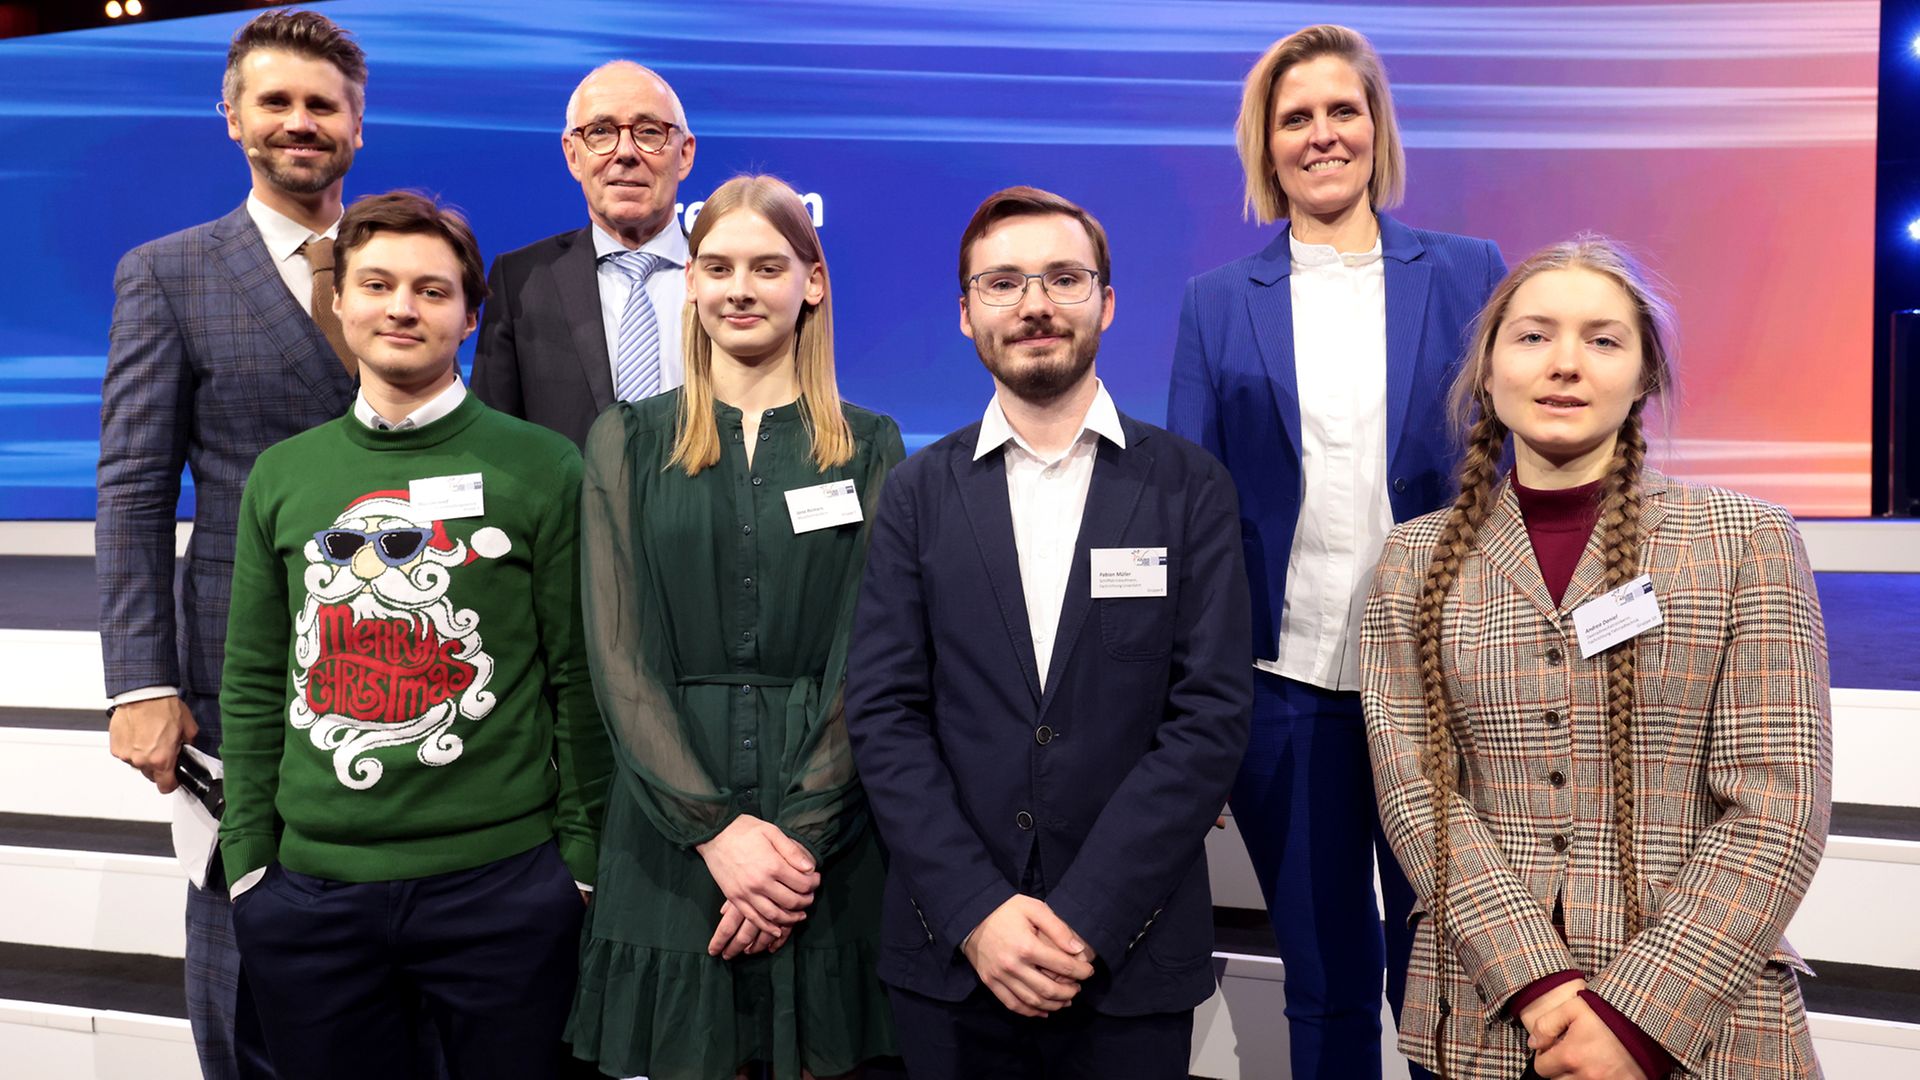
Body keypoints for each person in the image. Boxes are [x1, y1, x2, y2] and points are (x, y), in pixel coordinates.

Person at [1361, 237, 1831, 1079]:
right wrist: (1539, 982)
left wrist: (1635, 1018)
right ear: (1488, 370)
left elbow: (1778, 805)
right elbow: (1416, 792)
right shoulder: (1412, 560)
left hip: (1703, 1026)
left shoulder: (1747, 541)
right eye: (1534, 336)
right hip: (1488, 1023)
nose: (1565, 364)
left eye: (1603, 339)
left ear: (1645, 374)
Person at [845, 186, 1252, 1080]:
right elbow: (884, 717)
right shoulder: (915, 494)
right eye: (1002, 283)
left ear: (1106, 302)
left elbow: (1210, 718)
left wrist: (1088, 918)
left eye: (1063, 278)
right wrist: (979, 913)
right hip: (953, 957)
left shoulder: (1190, 487)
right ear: (965, 315)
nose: (1034, 304)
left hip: (1129, 962)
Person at [1163, 24, 1506, 1078]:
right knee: (1324, 983)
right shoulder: (1220, 303)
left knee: (1451, 975)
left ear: (1377, 127)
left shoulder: (1469, 272)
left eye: (1342, 111)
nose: (1322, 135)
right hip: (1285, 688)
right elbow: (1194, 518)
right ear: (1266, 145)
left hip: (1441, 689)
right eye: (1295, 117)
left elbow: (1503, 474)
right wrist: (1195, 701)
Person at [218, 190, 612, 1080]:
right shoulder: (283, 477)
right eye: (379, 284)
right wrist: (249, 866)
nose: (402, 307)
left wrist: (577, 867)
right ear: (341, 302)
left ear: (472, 317)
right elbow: (249, 682)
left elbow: (581, 678)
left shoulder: (542, 465)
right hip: (311, 900)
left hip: (505, 891)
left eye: (433, 291)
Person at [567, 174, 901, 1080]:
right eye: (716, 267)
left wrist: (792, 842)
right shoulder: (627, 439)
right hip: (668, 829)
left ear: (813, 282)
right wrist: (716, 830)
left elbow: (869, 654)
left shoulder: (872, 445)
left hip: (826, 839)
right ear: (690, 282)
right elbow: (619, 654)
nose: (739, 289)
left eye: (766, 266)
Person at [95, 10, 366, 1076]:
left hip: (400, 653)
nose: (301, 123)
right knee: (243, 939)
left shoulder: (397, 263)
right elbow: (129, 489)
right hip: (235, 668)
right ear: (233, 117)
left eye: (322, 105)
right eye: (277, 102)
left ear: (357, 123)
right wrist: (139, 680)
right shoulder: (169, 272)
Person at [472, 60, 698, 448]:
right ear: (573, 155)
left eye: (648, 132)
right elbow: (494, 445)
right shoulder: (520, 281)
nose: (625, 152)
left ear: (685, 153)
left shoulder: (731, 275)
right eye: (600, 132)